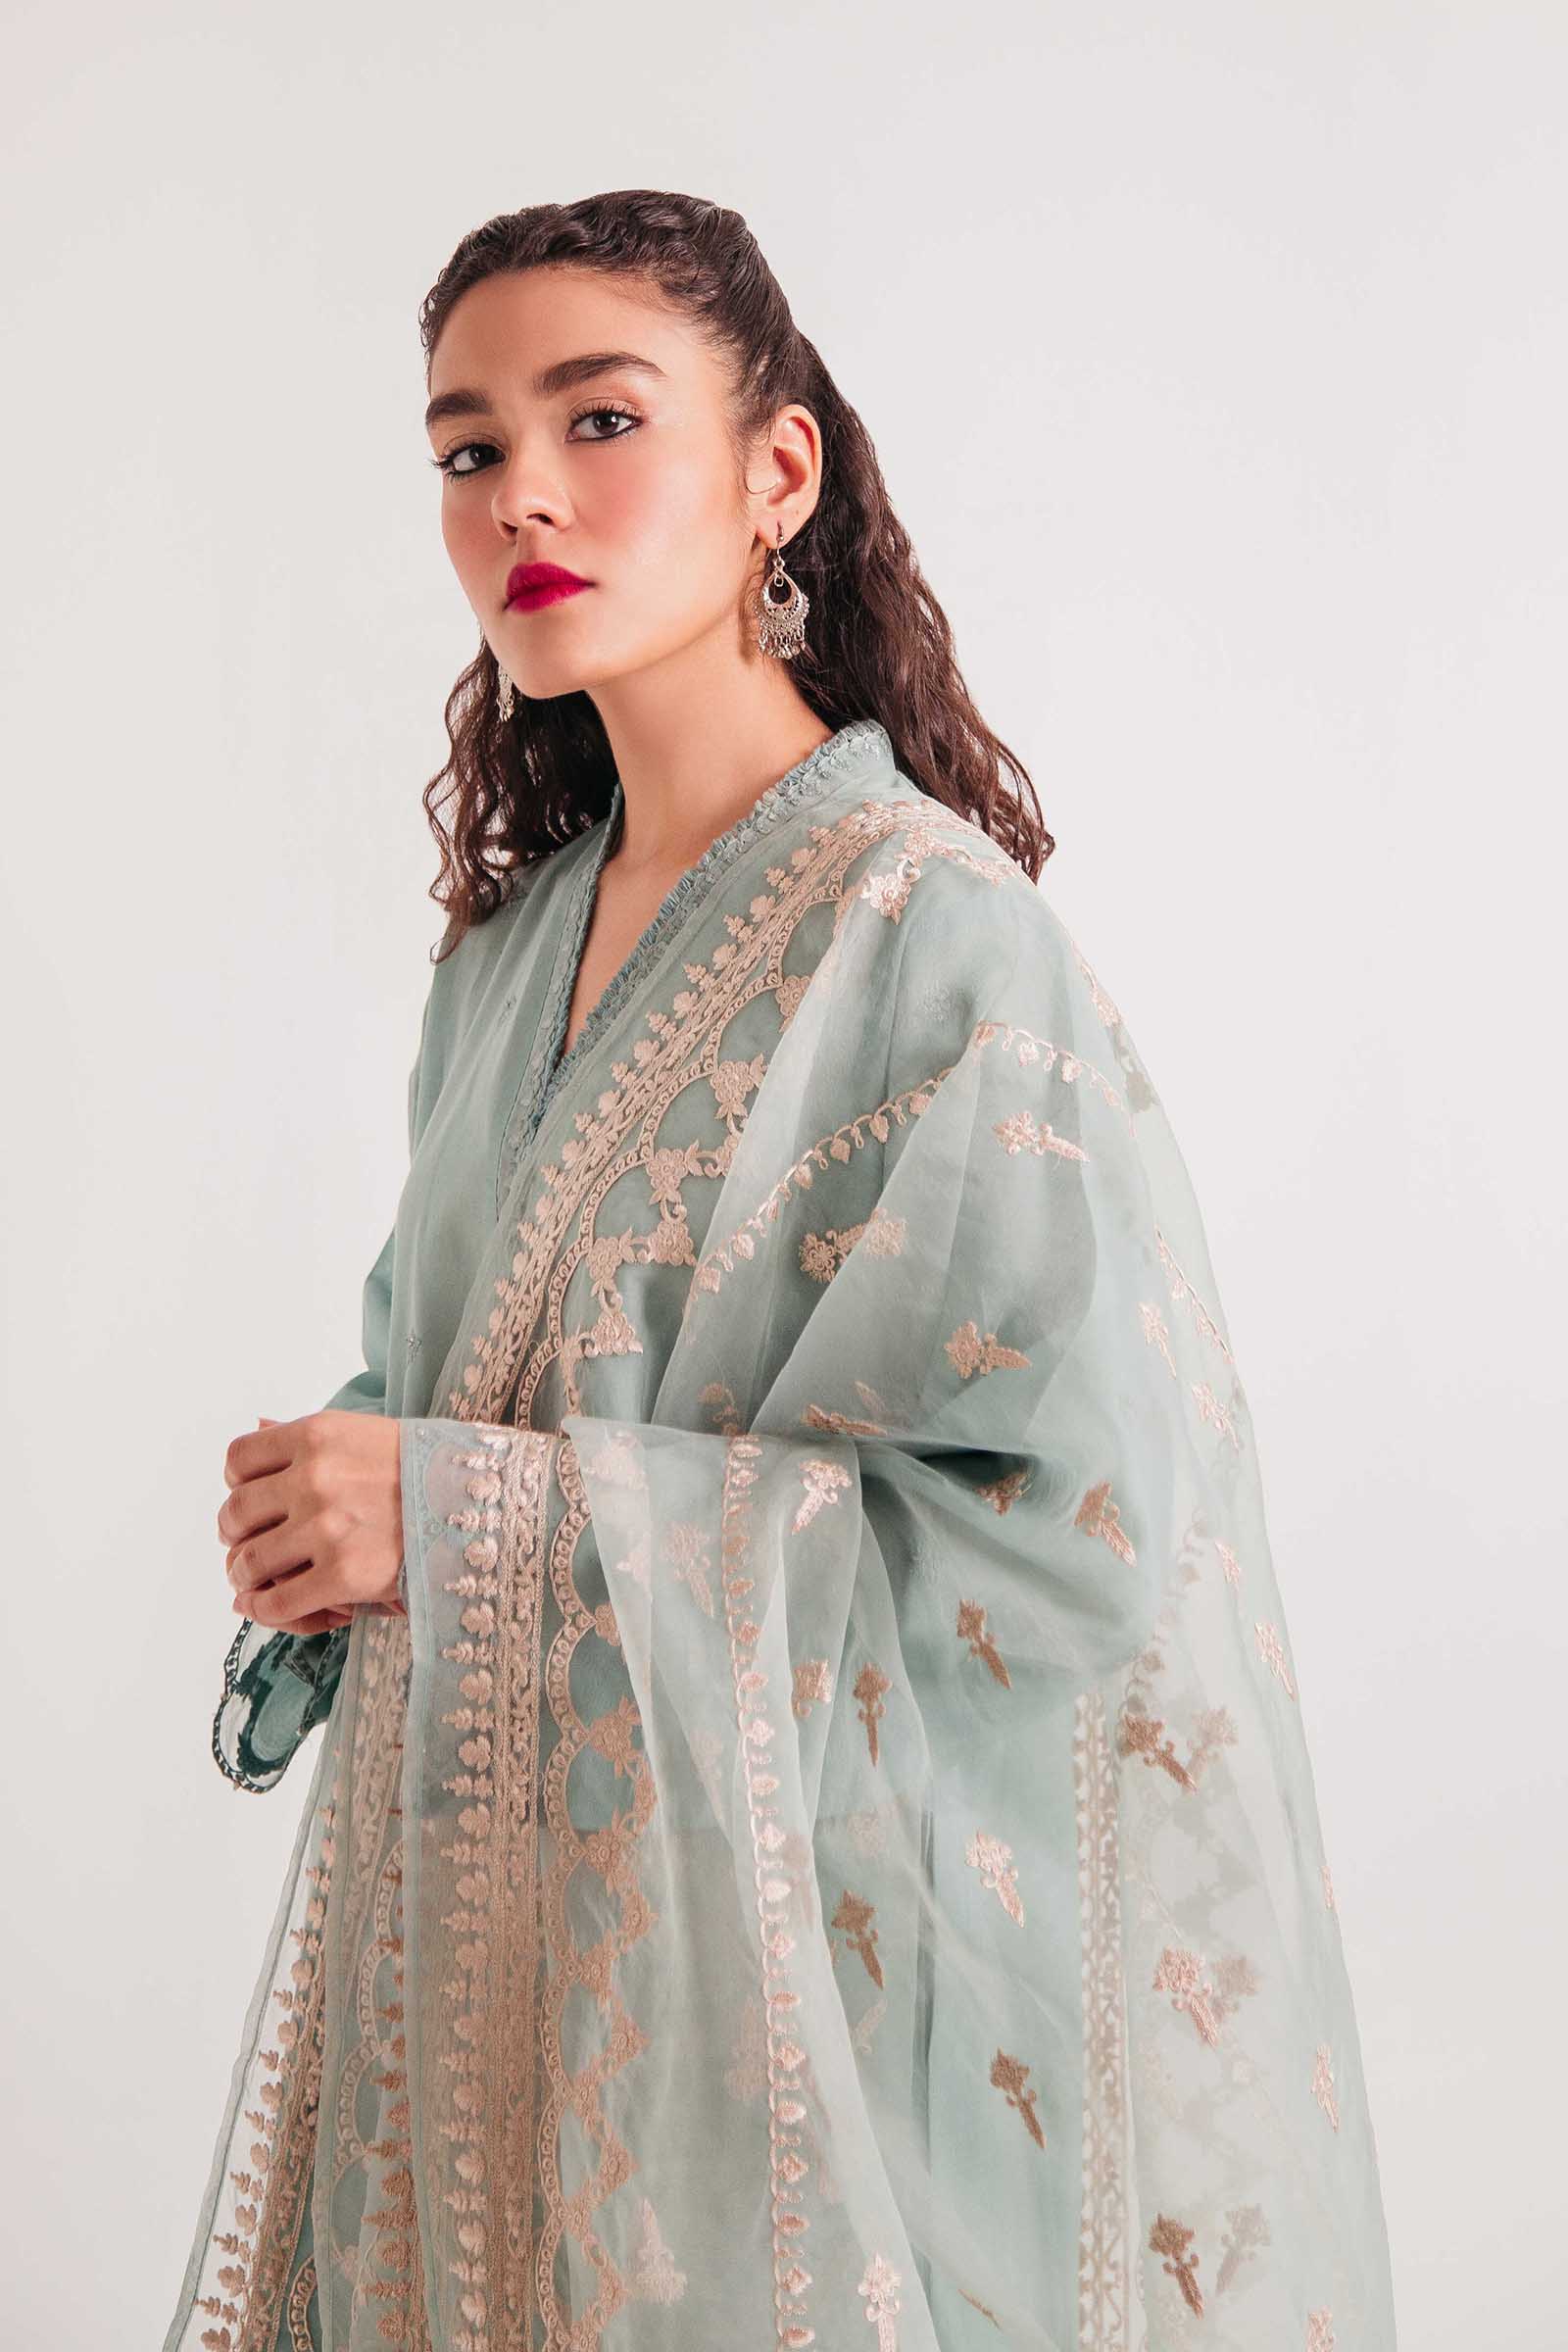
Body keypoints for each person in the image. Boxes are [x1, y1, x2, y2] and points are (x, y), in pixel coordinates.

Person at [163, 191, 1397, 2352]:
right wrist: (345, 1488)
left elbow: (1063, 1550)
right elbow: (460, 1370)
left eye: (598, 419)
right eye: (466, 448)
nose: (521, 494)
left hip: (778, 2065)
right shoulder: (503, 962)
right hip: (480, 1969)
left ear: (778, 472)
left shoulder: (937, 945)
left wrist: (465, 1522)